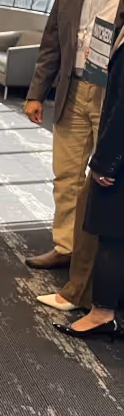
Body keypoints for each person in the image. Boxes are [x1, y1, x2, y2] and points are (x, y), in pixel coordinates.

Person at [24, 0, 124, 272]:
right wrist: (36, 93)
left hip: (113, 98)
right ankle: (66, 245)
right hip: (73, 90)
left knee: (107, 179)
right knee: (66, 175)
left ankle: (98, 256)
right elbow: (51, 45)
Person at [54, 21, 124, 341]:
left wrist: (104, 162)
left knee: (111, 235)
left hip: (118, 157)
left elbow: (120, 110)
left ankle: (102, 315)